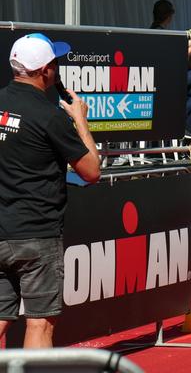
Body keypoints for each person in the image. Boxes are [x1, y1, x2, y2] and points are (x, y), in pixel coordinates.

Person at [0, 33, 100, 347]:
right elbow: (91, 171)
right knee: (40, 323)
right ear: (45, 70)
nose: (57, 69)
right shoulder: (50, 117)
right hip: (36, 235)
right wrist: (80, 120)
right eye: (55, 63)